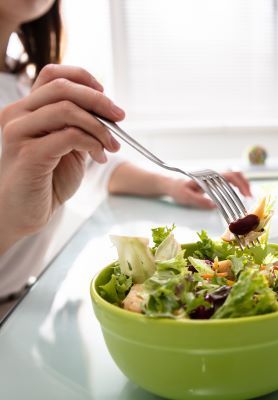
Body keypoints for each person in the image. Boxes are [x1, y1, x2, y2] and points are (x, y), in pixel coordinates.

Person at [0, 0, 251, 299]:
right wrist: (10, 220)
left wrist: (173, 184)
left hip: (23, 302)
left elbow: (97, 164)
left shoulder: (23, 85)